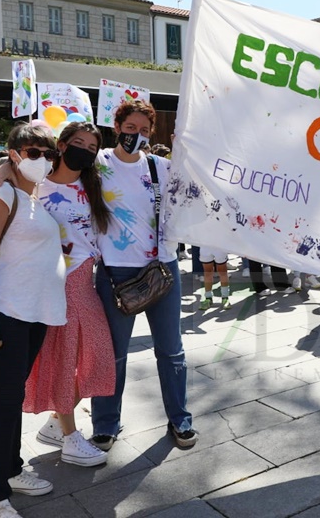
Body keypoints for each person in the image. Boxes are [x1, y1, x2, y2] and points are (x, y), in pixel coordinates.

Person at [0, 124, 66, 518]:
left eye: (48, 152)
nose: (41, 158)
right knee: (4, 404)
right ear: (13, 153)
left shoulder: (33, 196)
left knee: (13, 398)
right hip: (2, 313)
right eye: (32, 150)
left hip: (31, 313)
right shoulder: (1, 193)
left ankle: (11, 469)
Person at [90, 100, 197, 451]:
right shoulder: (98, 163)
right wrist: (1, 171)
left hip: (162, 269)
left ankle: (180, 419)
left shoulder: (161, 167)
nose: (136, 136)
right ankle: (106, 424)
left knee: (171, 351)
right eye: (131, 128)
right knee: (113, 353)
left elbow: (199, 188)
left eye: (145, 131)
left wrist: (189, 145)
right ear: (116, 125)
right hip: (116, 272)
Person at [24, 122, 115, 467]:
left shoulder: (93, 184)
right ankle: (70, 438)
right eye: (78, 143)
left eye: (92, 148)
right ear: (61, 145)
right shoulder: (35, 183)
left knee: (94, 356)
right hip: (52, 280)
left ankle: (57, 423)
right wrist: (3, 167)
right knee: (68, 357)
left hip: (84, 277)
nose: (85, 151)